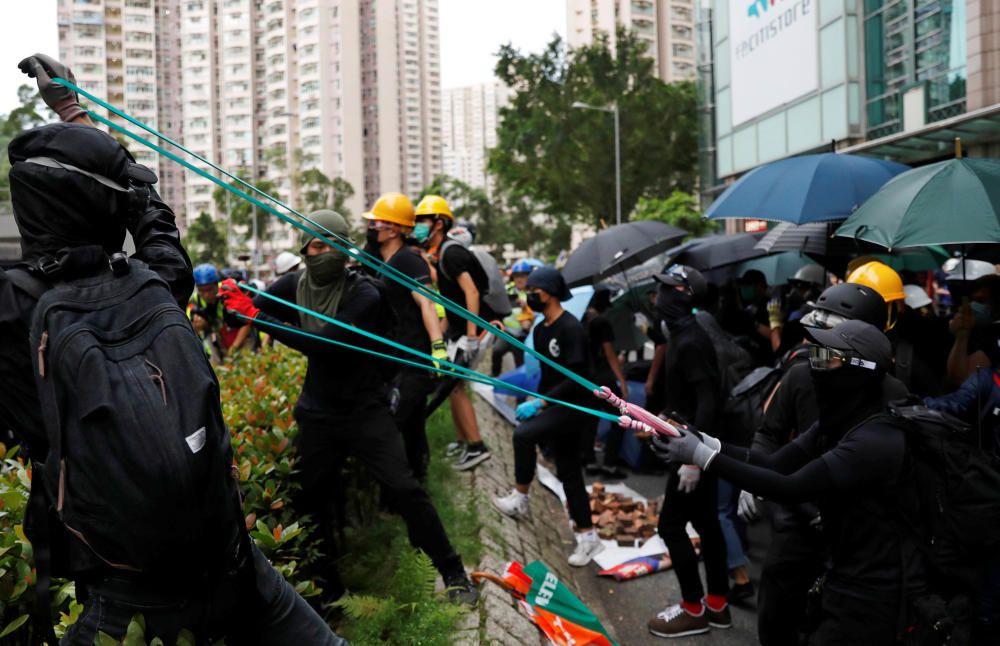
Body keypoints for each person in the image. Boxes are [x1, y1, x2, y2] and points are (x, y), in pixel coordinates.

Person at [1, 53, 344, 645]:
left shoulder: (13, 311)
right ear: (110, 205)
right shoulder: (154, 281)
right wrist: (77, 115)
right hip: (230, 559)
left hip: (121, 601)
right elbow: (154, 219)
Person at [220, 209, 479, 607]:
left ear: (343, 248)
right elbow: (242, 309)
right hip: (318, 412)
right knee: (311, 499)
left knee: (405, 489)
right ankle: (329, 589)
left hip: (365, 411)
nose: (315, 252)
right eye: (309, 244)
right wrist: (231, 300)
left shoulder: (365, 293)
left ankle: (452, 571)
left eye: (324, 245)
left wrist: (256, 316)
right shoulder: (293, 283)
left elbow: (327, 344)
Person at [651, 319, 926, 645]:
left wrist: (701, 457)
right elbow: (774, 462)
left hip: (878, 588)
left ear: (860, 369)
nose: (816, 365)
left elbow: (790, 486)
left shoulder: (873, 439)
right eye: (816, 354)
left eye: (828, 358)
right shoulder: (840, 420)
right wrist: (708, 442)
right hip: (845, 571)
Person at [749, 281, 899, 646]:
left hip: (850, 536)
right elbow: (769, 437)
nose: (817, 343)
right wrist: (746, 473)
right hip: (797, 521)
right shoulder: (801, 374)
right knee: (777, 611)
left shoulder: (888, 393)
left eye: (830, 326)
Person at [491, 267, 604, 567]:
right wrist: (537, 398)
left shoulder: (571, 329)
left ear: (551, 293)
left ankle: (520, 497)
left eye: (534, 292)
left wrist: (540, 403)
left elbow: (578, 377)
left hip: (576, 406)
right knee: (568, 471)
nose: (529, 297)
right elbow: (548, 374)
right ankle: (589, 536)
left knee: (523, 434)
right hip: (555, 403)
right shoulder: (541, 330)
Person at [645, 264, 732, 638]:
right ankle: (718, 605)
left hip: (693, 450)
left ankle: (694, 608)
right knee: (707, 525)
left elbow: (709, 401)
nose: (659, 296)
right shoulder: (679, 334)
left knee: (670, 526)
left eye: (666, 289)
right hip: (688, 442)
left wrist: (694, 459)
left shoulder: (692, 340)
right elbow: (685, 396)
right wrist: (660, 418)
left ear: (684, 295)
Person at [363, 192, 447, 481]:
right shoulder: (384, 262)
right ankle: (418, 481)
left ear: (395, 228)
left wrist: (438, 347)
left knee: (390, 425)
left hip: (414, 360)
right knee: (412, 427)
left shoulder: (408, 261)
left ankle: (399, 491)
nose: (372, 228)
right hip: (398, 359)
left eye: (378, 223)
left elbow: (427, 302)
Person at [413, 194, 492, 471]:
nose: (417, 226)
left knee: (456, 387)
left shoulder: (453, 252)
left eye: (422, 221)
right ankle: (463, 440)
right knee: (452, 386)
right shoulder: (440, 254)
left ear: (438, 223)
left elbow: (470, 291)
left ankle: (476, 446)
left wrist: (471, 335)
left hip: (472, 331)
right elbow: (449, 294)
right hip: (459, 330)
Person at [583, 287, 629, 480]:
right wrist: (622, 381)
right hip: (603, 378)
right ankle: (610, 464)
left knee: (590, 420)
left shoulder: (582, 319)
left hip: (585, 378)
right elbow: (610, 355)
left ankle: (590, 462)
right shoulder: (602, 322)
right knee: (619, 418)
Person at [943, 259, 1000, 386]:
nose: (973, 306)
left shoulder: (994, 338)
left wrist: (962, 336)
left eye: (981, 300)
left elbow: (959, 379)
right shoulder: (975, 328)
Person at [491, 259, 537, 377]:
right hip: (507, 333)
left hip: (523, 337)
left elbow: (539, 314)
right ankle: (494, 378)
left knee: (520, 367)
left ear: (529, 276)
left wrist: (527, 309)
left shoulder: (534, 293)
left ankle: (520, 393)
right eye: (516, 276)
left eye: (523, 276)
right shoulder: (508, 291)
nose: (519, 279)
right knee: (496, 351)